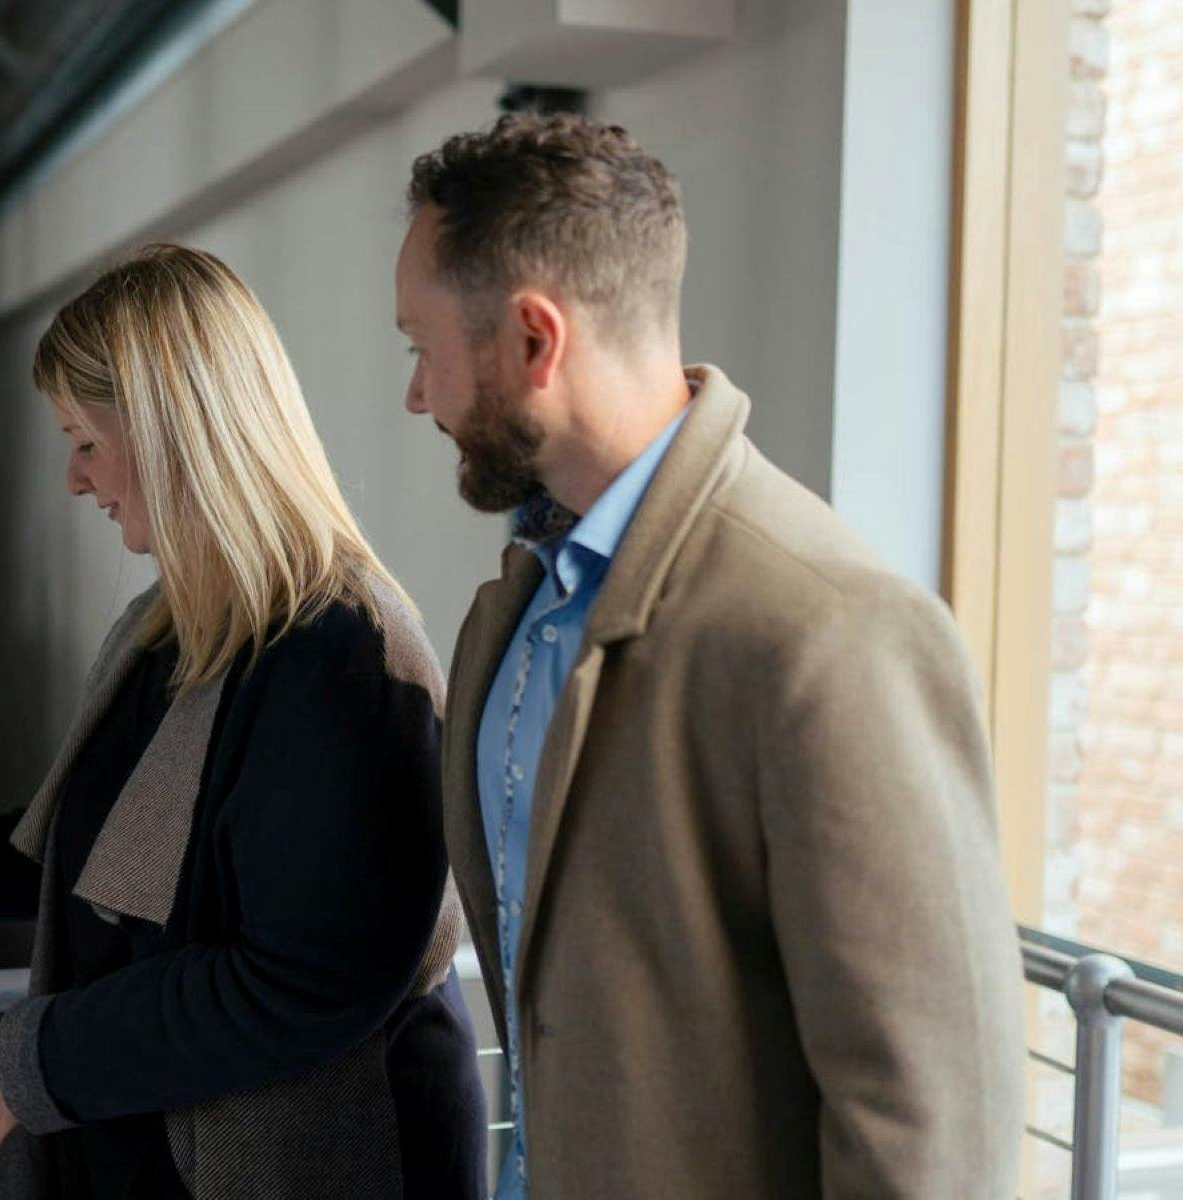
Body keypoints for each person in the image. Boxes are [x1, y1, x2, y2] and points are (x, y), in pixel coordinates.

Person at [0, 244, 484, 1199]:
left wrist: (37, 1062)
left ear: (179, 433)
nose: (73, 479)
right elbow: (81, 858)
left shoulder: (343, 654)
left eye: (86, 440)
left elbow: (305, 979)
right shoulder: (169, 628)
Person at [394, 112, 1025, 1197]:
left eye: (424, 349)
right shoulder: (517, 615)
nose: (418, 396)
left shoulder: (834, 629)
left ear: (535, 342)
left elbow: (932, 1131)